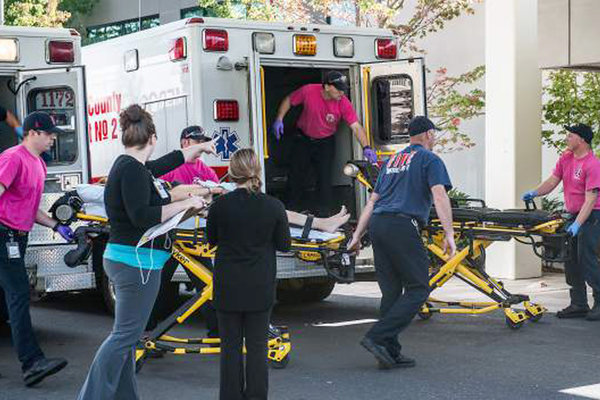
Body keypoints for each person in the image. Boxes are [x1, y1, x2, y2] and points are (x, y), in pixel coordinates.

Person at [150, 124, 352, 335]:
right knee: (165, 286)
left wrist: (215, 192)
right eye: (199, 142)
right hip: (187, 223)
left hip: (210, 214)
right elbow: (169, 194)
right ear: (186, 143)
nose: (203, 146)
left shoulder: (204, 169)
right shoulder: (172, 169)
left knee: (206, 283)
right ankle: (151, 331)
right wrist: (208, 190)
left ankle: (215, 331)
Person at [77, 105, 214, 400]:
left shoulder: (133, 167)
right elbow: (143, 216)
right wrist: (184, 204)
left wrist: (200, 147)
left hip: (132, 262)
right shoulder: (132, 170)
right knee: (125, 337)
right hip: (134, 264)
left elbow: (167, 162)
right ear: (152, 137)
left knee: (127, 338)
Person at [348, 116, 456, 369]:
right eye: (434, 134)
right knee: (419, 289)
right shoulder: (430, 159)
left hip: (378, 225)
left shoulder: (391, 162)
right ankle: (377, 337)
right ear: (428, 134)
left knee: (392, 292)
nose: (435, 138)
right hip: (401, 225)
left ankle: (389, 351)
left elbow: (372, 202)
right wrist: (449, 233)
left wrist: (357, 235)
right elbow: (439, 196)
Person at [207, 148, 291, 400]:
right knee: (257, 348)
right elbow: (284, 244)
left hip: (228, 285)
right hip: (260, 285)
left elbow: (211, 240)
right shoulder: (273, 206)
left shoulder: (220, 205)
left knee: (230, 349)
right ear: (256, 171)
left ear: (232, 173)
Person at [0, 111, 73, 387]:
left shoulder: (39, 165)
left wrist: (56, 226)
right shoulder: (12, 158)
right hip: (3, 234)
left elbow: (29, 208)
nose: (53, 138)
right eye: (49, 134)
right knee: (18, 295)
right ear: (33, 133)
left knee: (9, 298)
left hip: (18, 237)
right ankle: (32, 363)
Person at [522, 123, 600, 321]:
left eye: (570, 135)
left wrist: (578, 225)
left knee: (586, 259)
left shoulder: (593, 164)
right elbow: (552, 181)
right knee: (571, 260)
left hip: (592, 216)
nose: (567, 138)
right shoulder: (566, 158)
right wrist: (534, 192)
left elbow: (591, 199)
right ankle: (579, 304)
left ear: (581, 139)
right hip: (574, 215)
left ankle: (599, 303)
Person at [272, 71, 376, 216]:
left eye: (343, 89)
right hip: (303, 139)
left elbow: (356, 126)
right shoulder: (308, 91)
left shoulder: (343, 103)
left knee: (324, 178)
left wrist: (366, 147)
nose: (342, 92)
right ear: (327, 87)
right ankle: (289, 212)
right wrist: (279, 119)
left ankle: (324, 215)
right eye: (338, 89)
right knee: (296, 175)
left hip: (325, 142)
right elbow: (289, 100)